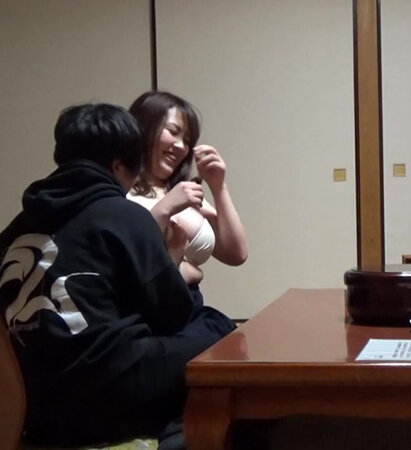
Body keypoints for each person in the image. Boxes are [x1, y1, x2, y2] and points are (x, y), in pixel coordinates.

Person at [0, 103, 236, 449]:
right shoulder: (123, 215)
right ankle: (183, 435)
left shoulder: (12, 231)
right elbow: (173, 316)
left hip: (33, 407)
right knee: (215, 325)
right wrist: (179, 268)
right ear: (119, 165)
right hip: (103, 399)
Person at [127, 91, 247, 290]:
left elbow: (236, 254)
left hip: (190, 304)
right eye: (173, 132)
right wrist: (186, 272)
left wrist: (218, 186)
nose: (181, 146)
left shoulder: (182, 190)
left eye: (187, 140)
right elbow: (130, 261)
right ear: (145, 128)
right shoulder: (121, 189)